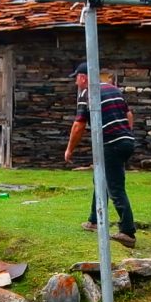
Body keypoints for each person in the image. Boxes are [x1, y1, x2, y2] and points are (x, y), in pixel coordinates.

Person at [64, 62, 138, 248]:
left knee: (115, 186)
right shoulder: (114, 90)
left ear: (83, 77)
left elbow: (79, 125)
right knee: (101, 179)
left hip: (111, 143)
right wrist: (125, 133)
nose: (76, 83)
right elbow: (129, 115)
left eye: (76, 79)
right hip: (126, 141)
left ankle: (128, 232)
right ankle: (94, 220)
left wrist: (69, 149)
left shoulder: (87, 93)